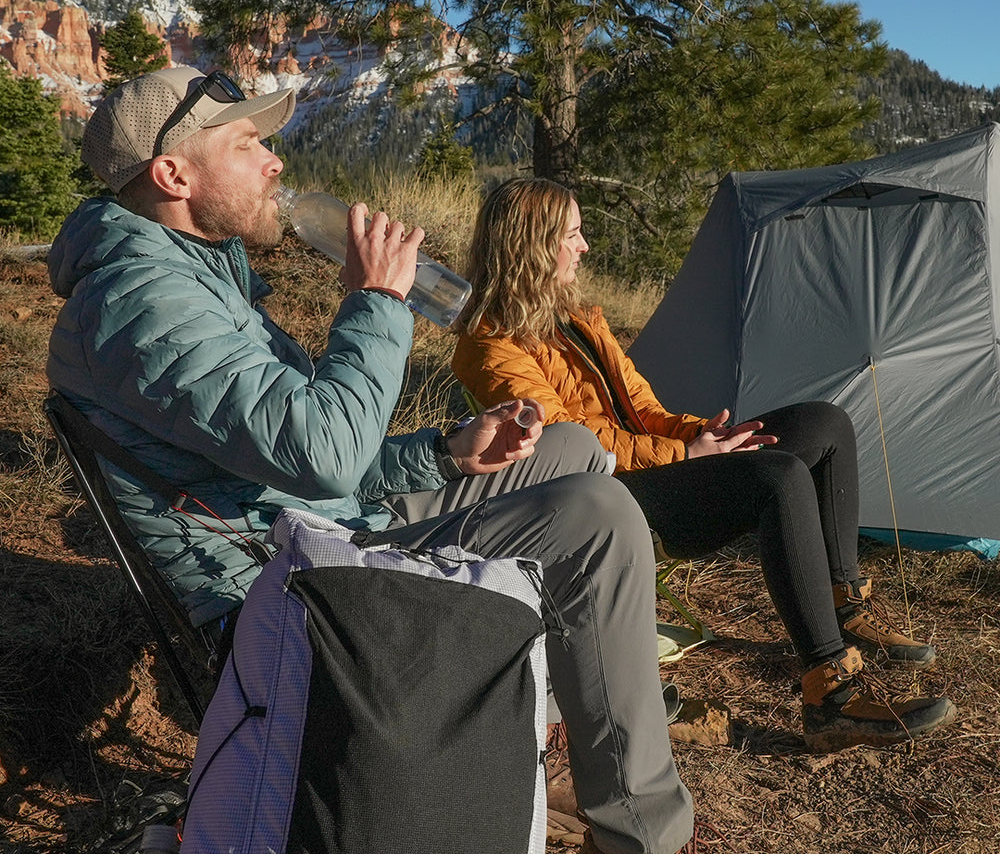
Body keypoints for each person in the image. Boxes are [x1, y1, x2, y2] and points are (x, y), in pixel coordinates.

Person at [46, 68, 694, 854]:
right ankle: (641, 836)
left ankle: (518, 729)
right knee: (596, 518)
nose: (275, 161)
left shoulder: (198, 279)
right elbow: (323, 455)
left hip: (315, 532)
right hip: (287, 592)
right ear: (174, 174)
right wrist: (378, 303)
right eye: (249, 142)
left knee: (572, 449)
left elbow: (302, 462)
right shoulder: (144, 303)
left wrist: (446, 452)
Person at [452, 176, 957, 753]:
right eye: (573, 234)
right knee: (779, 478)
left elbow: (642, 409)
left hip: (658, 466)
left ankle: (843, 607)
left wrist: (703, 434)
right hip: (607, 501)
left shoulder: (576, 320)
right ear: (535, 247)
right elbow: (576, 442)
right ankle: (831, 695)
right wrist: (688, 455)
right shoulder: (491, 343)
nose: (585, 246)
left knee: (825, 423)